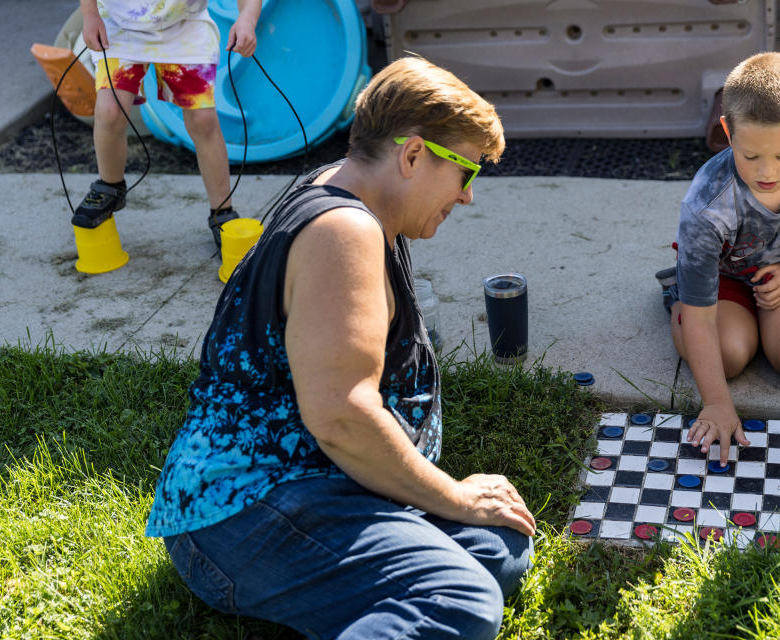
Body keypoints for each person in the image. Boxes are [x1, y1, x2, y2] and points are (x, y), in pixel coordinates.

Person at [144, 57, 535, 640]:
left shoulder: (347, 190)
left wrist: (454, 503)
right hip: (244, 508)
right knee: (463, 598)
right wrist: (451, 495)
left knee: (499, 543)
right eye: (467, 173)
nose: (468, 196)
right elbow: (342, 417)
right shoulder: (342, 233)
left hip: (320, 482)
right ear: (412, 155)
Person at [657, 51, 780, 465]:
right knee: (728, 357)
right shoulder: (707, 203)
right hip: (723, 278)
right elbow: (703, 317)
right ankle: (676, 295)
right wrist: (718, 403)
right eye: (751, 155)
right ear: (727, 130)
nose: (767, 172)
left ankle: (777, 321)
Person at [74, 0, 262, 248]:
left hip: (185, 26)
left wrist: (247, 18)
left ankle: (222, 212)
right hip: (119, 28)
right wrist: (90, 15)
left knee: (203, 121)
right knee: (110, 110)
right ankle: (110, 187)